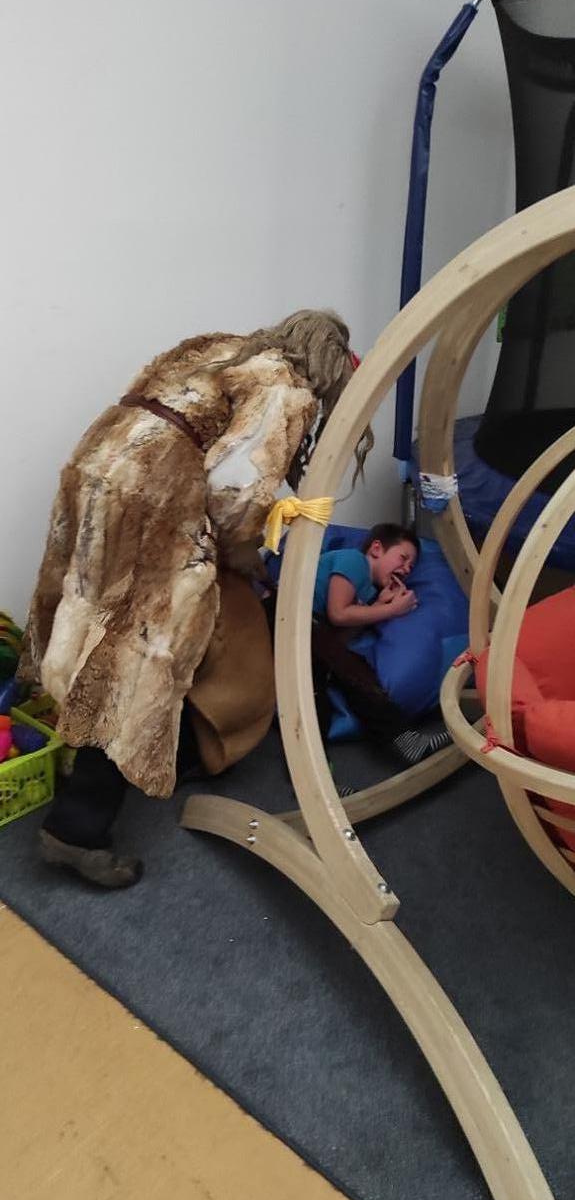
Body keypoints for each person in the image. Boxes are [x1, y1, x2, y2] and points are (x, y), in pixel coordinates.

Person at [19, 309, 373, 889]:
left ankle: (119, 764)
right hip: (154, 502)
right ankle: (76, 831)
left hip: (99, 472)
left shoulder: (220, 348)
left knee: (92, 635)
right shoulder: (286, 386)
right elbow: (234, 491)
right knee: (137, 665)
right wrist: (244, 555)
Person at [310, 523, 452, 765]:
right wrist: (392, 610)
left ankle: (319, 768)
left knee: (321, 687)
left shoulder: (366, 592)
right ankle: (404, 739)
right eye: (403, 558)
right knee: (352, 671)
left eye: (411, 567)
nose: (406, 569)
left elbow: (337, 643)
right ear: (376, 549)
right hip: (286, 617)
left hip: (310, 636)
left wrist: (378, 607)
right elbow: (338, 614)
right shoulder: (355, 561)